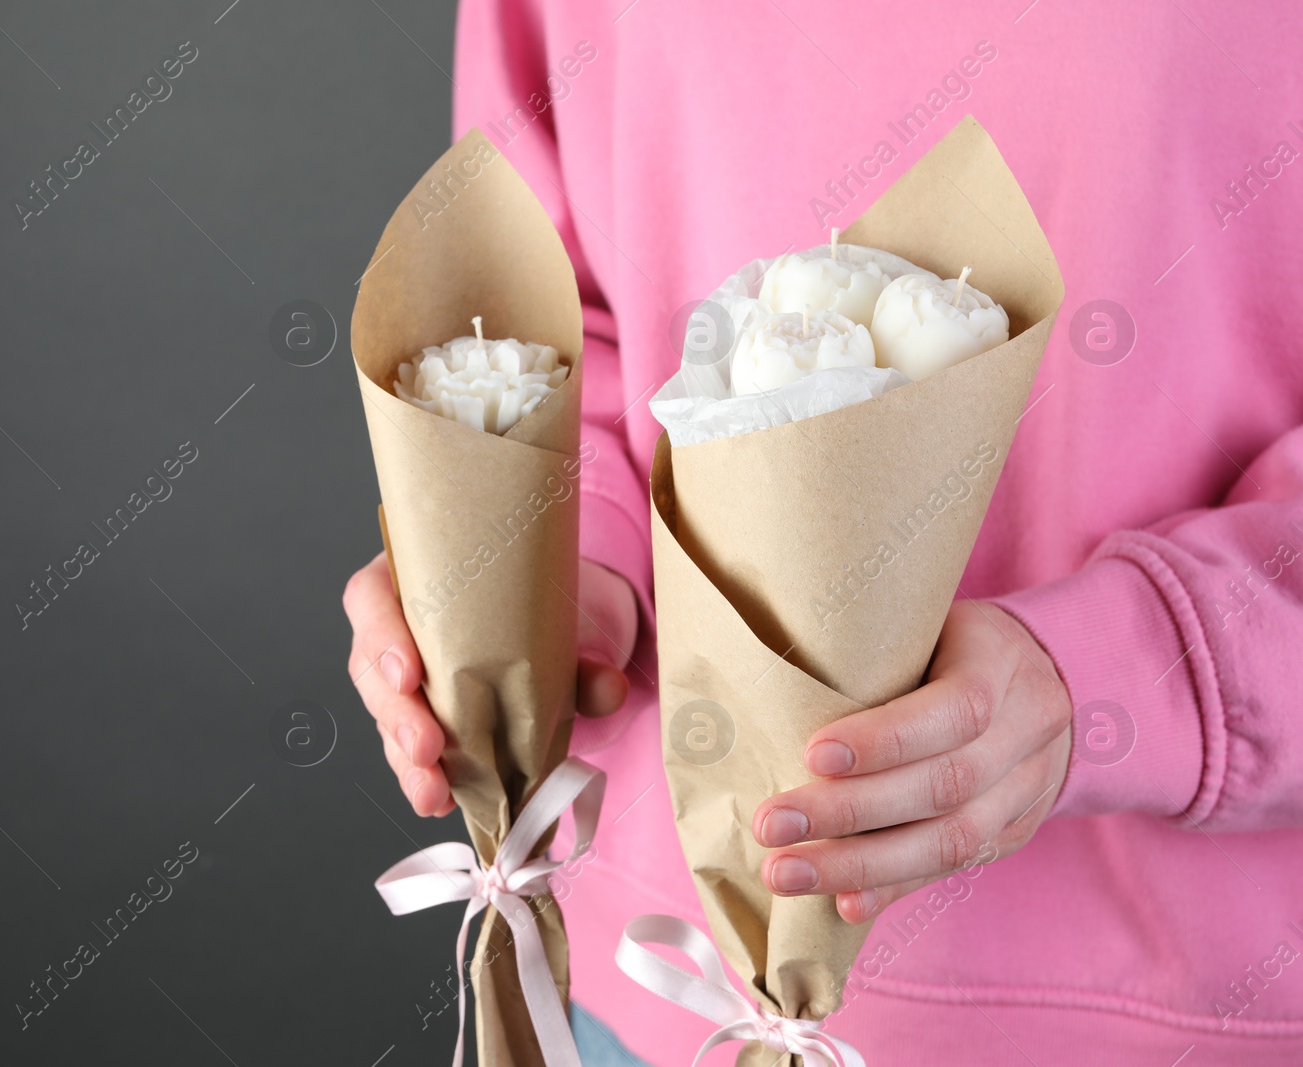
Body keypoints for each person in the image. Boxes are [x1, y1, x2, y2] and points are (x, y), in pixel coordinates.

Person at [345, 2, 1303, 1062]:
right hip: (661, 988)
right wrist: (549, 559)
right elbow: (562, 295)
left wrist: (1130, 668)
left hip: (1182, 1012)